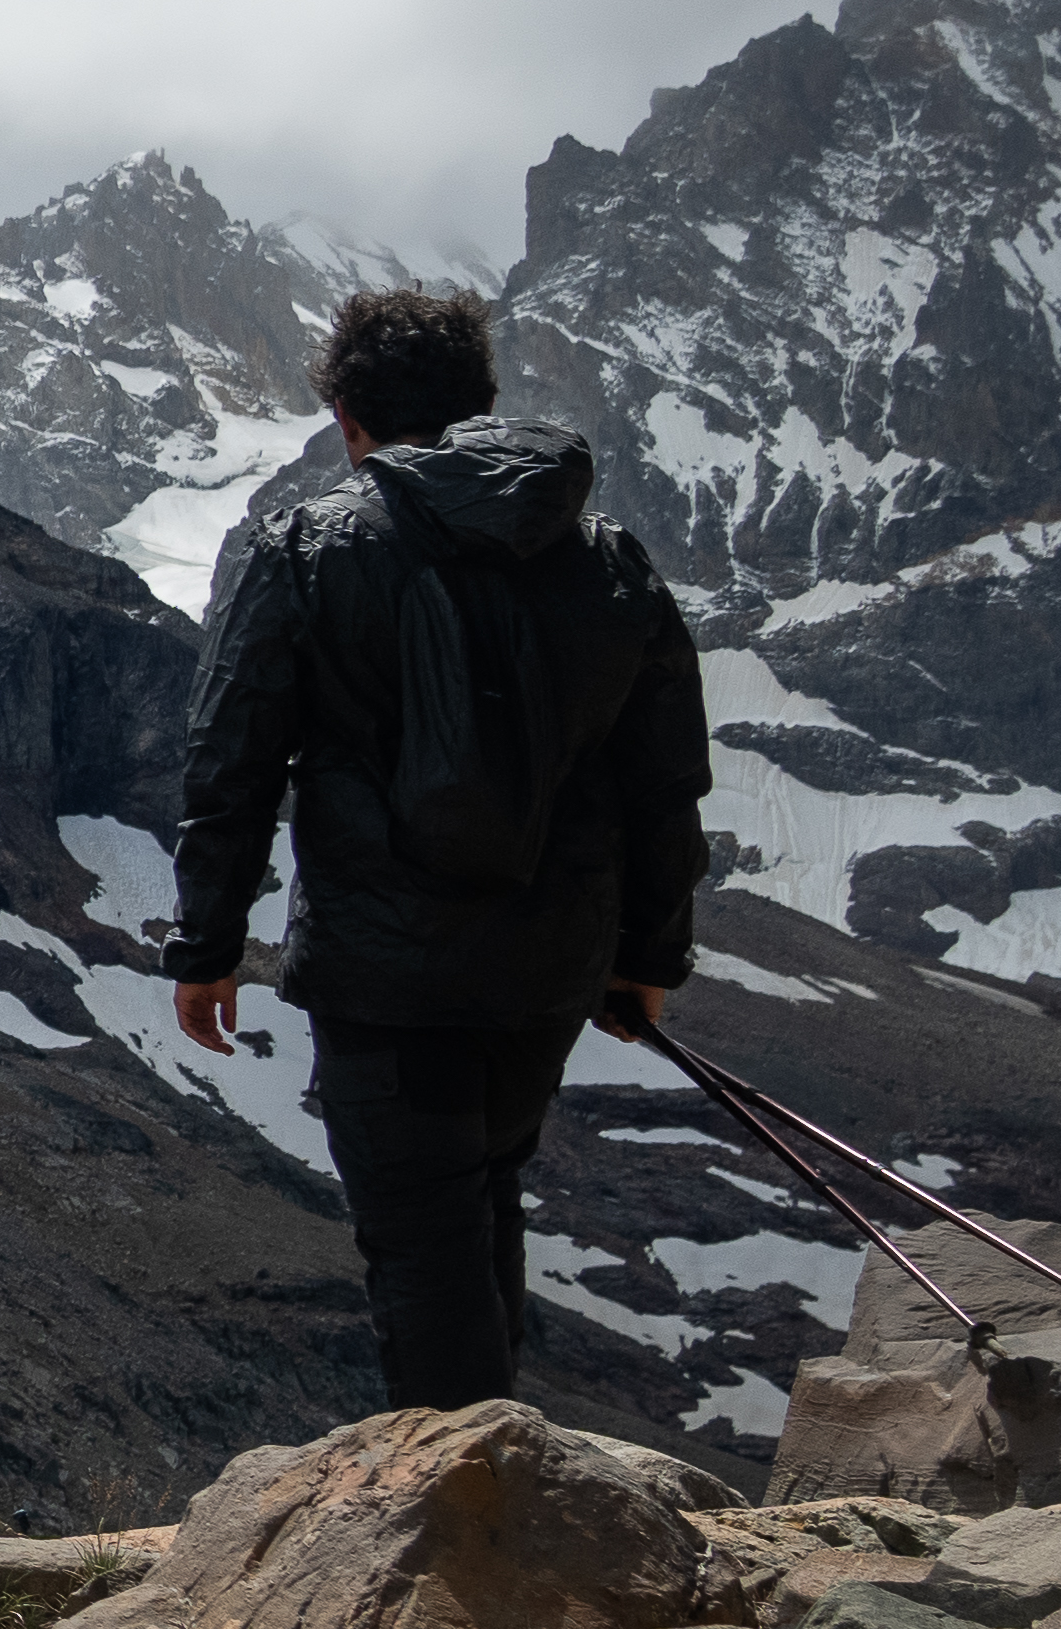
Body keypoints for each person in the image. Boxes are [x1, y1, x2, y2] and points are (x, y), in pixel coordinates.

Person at [169, 282, 714, 1409]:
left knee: (422, 1243)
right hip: (550, 960)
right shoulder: (603, 552)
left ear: (348, 421)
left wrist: (205, 945)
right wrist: (649, 955)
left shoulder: (309, 546)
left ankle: (471, 1520)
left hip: (387, 970)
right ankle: (497, 1476)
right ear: (478, 403)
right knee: (481, 1199)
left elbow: (233, 759)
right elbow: (663, 777)